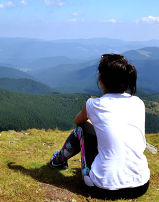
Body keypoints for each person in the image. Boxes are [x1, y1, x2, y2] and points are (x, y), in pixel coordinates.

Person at [49, 54, 150, 200]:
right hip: (140, 185)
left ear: (101, 80)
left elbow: (78, 121)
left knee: (81, 129)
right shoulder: (138, 102)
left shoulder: (93, 104)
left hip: (102, 188)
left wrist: (91, 122)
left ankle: (58, 161)